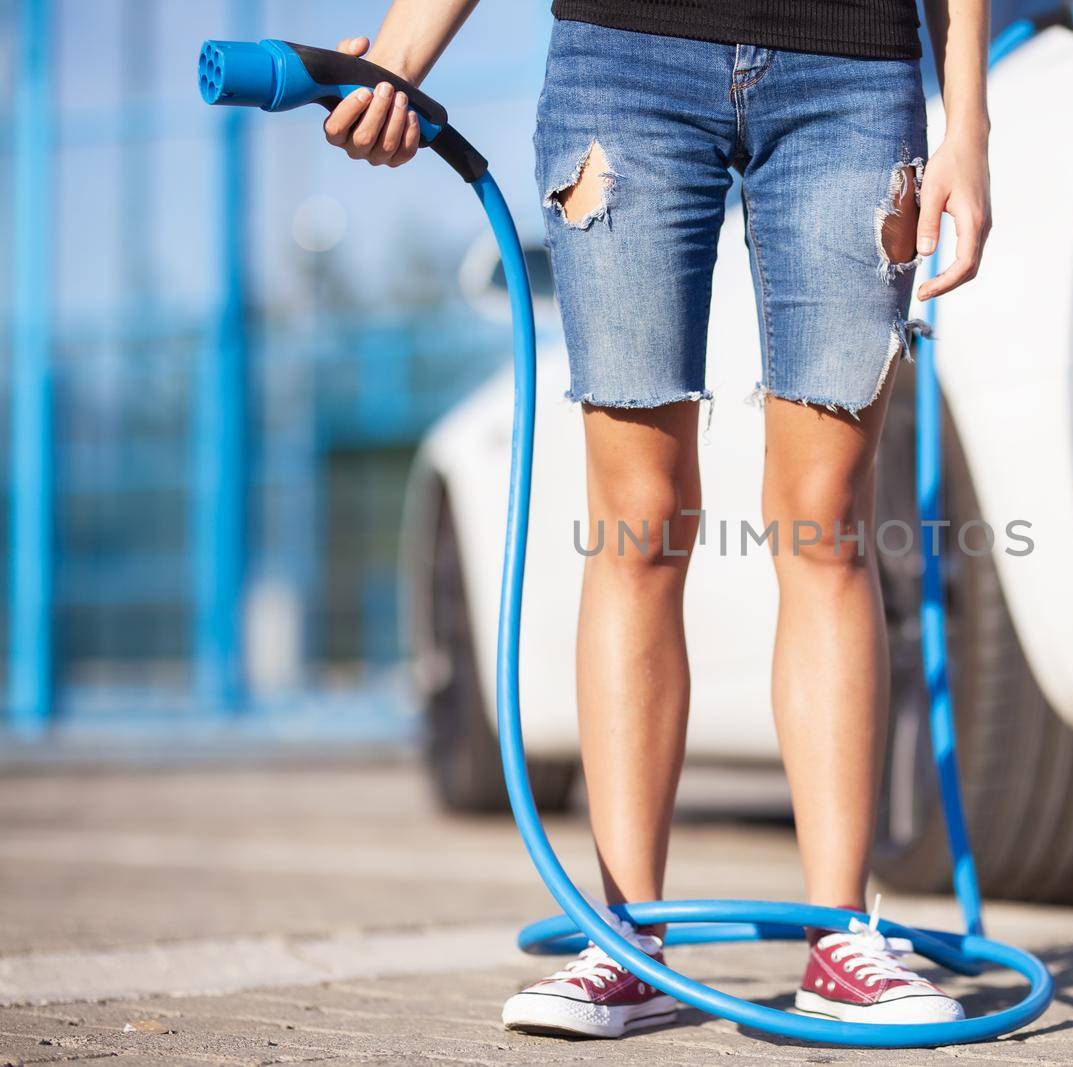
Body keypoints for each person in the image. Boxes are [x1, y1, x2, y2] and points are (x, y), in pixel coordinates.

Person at [323, 0, 992, 1039]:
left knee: (824, 522)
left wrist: (969, 128)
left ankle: (839, 933)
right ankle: (625, 938)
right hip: (625, 59)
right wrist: (402, 56)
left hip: (852, 69)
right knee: (637, 519)